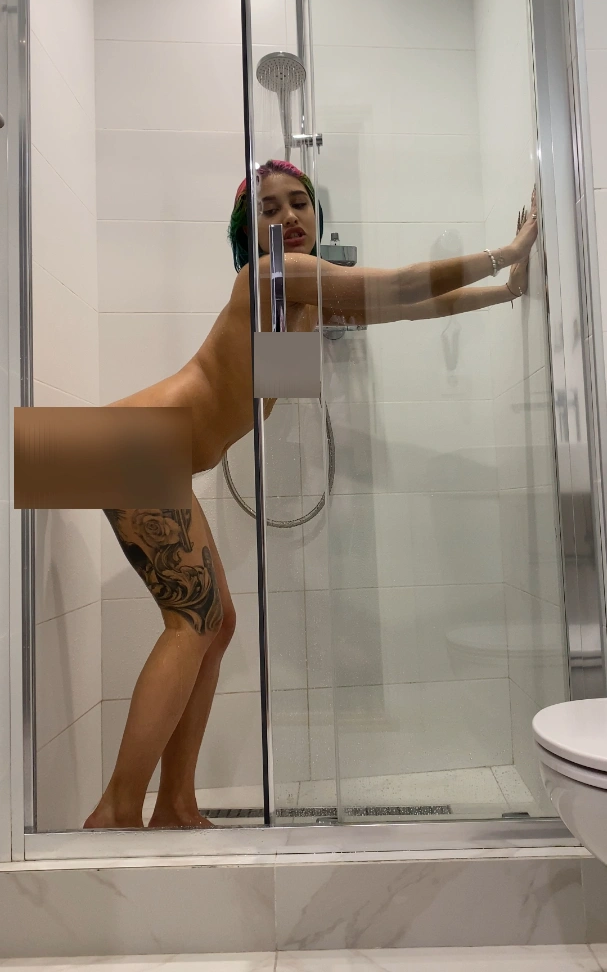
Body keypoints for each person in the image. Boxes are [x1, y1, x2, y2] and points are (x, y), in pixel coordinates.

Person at [84, 159, 538, 829]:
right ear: (248, 233)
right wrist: (508, 251)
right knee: (193, 623)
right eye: (269, 210)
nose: (289, 217)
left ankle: (174, 804)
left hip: (148, 453)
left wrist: (504, 292)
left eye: (299, 202)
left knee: (216, 624)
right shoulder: (267, 275)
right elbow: (400, 283)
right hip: (132, 444)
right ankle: (116, 811)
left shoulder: (294, 303)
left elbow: (402, 307)